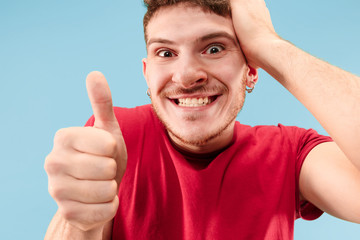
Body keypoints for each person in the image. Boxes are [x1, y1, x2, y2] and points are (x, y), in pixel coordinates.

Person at [44, 0, 360, 239]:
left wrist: (269, 44)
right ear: (147, 72)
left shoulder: (290, 154)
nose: (185, 76)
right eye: (165, 53)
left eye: (213, 48)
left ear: (251, 69)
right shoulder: (115, 139)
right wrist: (81, 221)